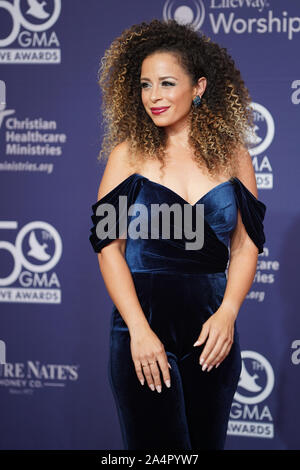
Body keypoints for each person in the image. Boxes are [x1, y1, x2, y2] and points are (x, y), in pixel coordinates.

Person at [89, 19, 266, 450]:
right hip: (142, 332)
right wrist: (138, 329)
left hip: (212, 335)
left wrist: (227, 314)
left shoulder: (234, 157)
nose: (154, 96)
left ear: (199, 86)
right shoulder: (127, 154)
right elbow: (109, 248)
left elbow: (245, 246)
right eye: (146, 85)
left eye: (167, 83)